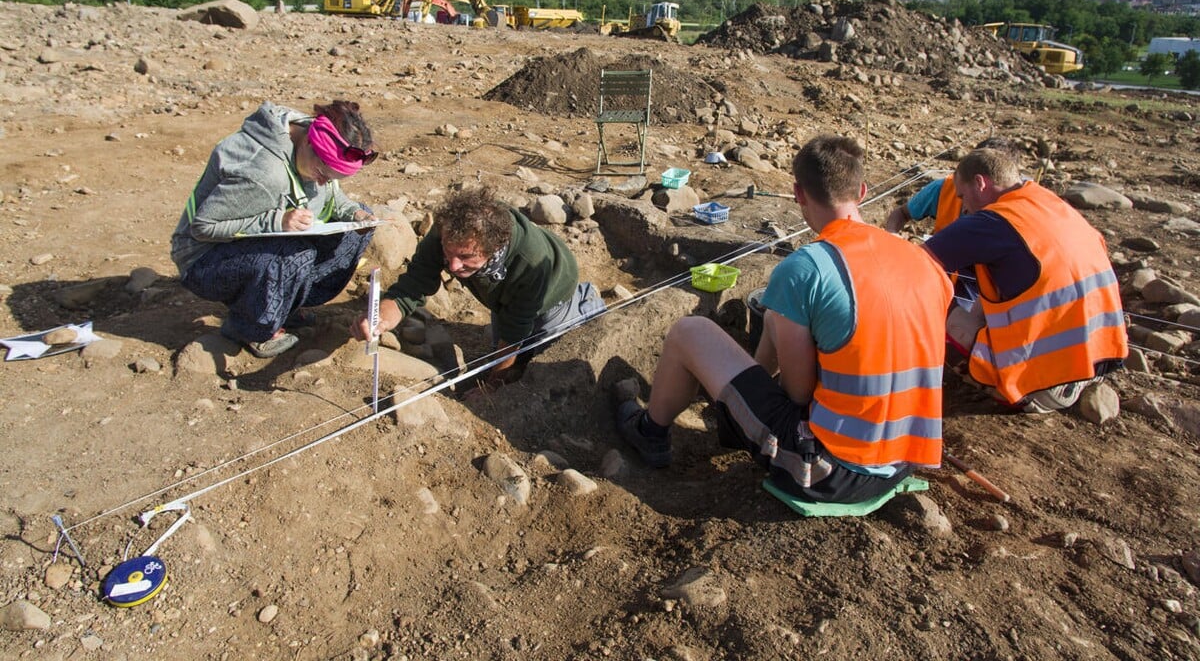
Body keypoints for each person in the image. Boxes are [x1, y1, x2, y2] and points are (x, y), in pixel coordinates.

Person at [617, 135, 953, 504]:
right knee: (778, 319)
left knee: (689, 331)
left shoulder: (806, 268)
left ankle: (650, 432)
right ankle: (738, 411)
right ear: (862, 190)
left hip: (830, 470)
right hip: (902, 459)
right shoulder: (924, 262)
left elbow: (798, 394)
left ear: (799, 193)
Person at [923, 148, 1128, 413]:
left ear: (980, 183)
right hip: (1091, 366)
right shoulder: (1051, 204)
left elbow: (914, 265)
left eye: (962, 196)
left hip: (1040, 387)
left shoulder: (994, 221)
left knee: (931, 303)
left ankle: (994, 383)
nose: (964, 207)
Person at [171, 100, 377, 358]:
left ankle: (285, 307)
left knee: (358, 230)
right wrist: (277, 221)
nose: (325, 181)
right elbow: (203, 227)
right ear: (309, 144)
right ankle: (249, 328)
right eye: (323, 173)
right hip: (203, 260)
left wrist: (354, 214)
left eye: (334, 178)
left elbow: (331, 193)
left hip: (253, 246)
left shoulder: (311, 141)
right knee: (295, 253)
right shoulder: (264, 173)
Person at [354, 185, 606, 390]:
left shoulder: (531, 263)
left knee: (537, 354)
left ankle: (585, 304)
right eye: (448, 253)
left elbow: (513, 335)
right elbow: (411, 287)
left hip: (553, 291)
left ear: (493, 248)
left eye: (465, 257)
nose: (452, 265)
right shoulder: (449, 235)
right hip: (503, 295)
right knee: (505, 348)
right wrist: (380, 319)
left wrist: (490, 389)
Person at [884, 136, 1024, 236]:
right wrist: (892, 235)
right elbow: (902, 213)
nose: (965, 210)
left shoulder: (1025, 210)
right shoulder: (944, 189)